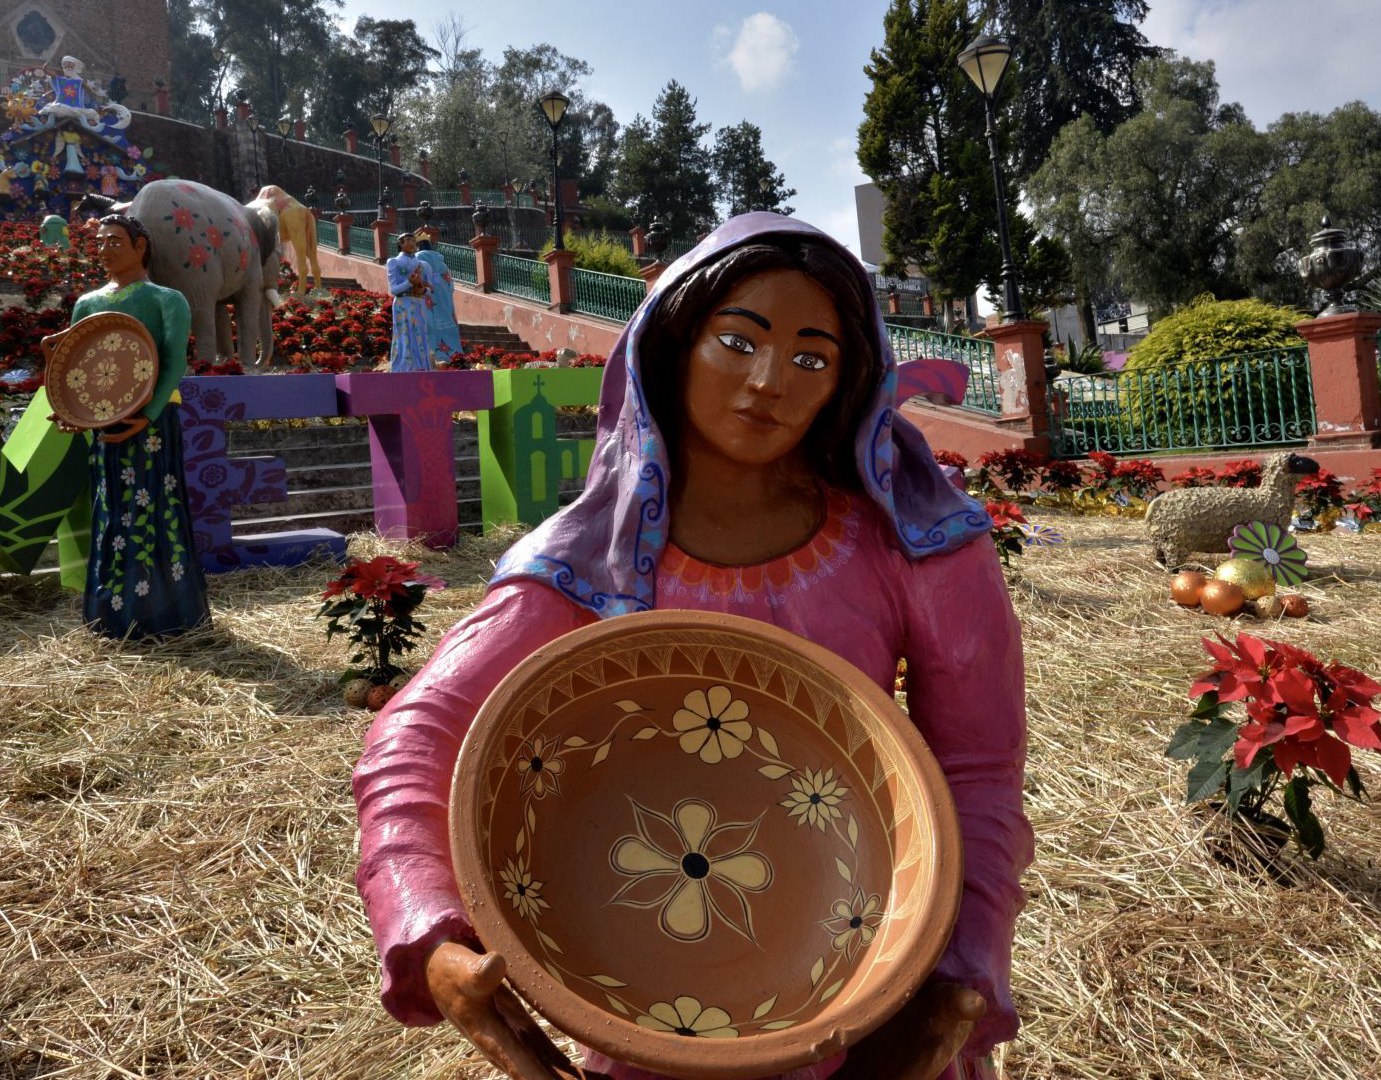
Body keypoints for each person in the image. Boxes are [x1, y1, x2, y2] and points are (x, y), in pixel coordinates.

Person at [351, 213, 1031, 1080]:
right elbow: (419, 736)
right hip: (651, 1010)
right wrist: (433, 931)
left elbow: (976, 774)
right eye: (737, 341)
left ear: (846, 380)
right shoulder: (586, 561)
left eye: (811, 358)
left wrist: (953, 976)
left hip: (872, 1001)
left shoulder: (917, 548)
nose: (769, 382)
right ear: (673, 345)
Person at [64, 214, 210, 638]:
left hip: (150, 425)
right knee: (110, 510)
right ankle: (112, 618)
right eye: (100, 241)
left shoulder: (168, 299)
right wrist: (72, 411)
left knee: (153, 510)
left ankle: (167, 617)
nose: (104, 248)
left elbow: (174, 364)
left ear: (140, 246)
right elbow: (80, 366)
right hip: (104, 424)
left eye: (115, 241)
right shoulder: (86, 303)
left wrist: (144, 418)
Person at [386, 232, 433, 373]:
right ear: (400, 243)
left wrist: (422, 290)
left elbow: (430, 290)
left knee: (421, 333)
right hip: (402, 302)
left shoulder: (424, 265)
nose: (411, 243)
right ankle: (404, 367)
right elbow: (394, 290)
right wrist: (409, 282)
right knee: (404, 333)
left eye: (413, 240)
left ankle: (422, 366)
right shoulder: (394, 262)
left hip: (419, 303)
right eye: (407, 240)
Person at [413, 237, 463, 365]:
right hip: (444, 301)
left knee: (429, 325)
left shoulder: (417, 260)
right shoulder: (442, 264)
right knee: (447, 326)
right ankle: (453, 356)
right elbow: (450, 286)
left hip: (427, 299)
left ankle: (433, 356)